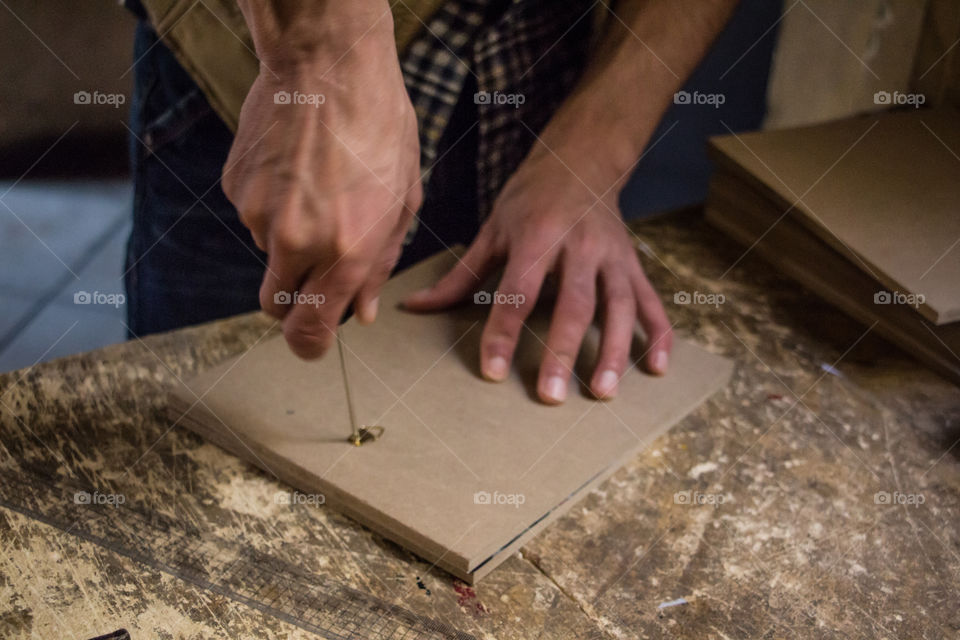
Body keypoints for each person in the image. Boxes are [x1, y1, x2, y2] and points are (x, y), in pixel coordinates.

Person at [124, 0, 739, 405]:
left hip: (539, 69)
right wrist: (318, 52)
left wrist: (593, 153)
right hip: (257, 72)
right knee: (200, 429)